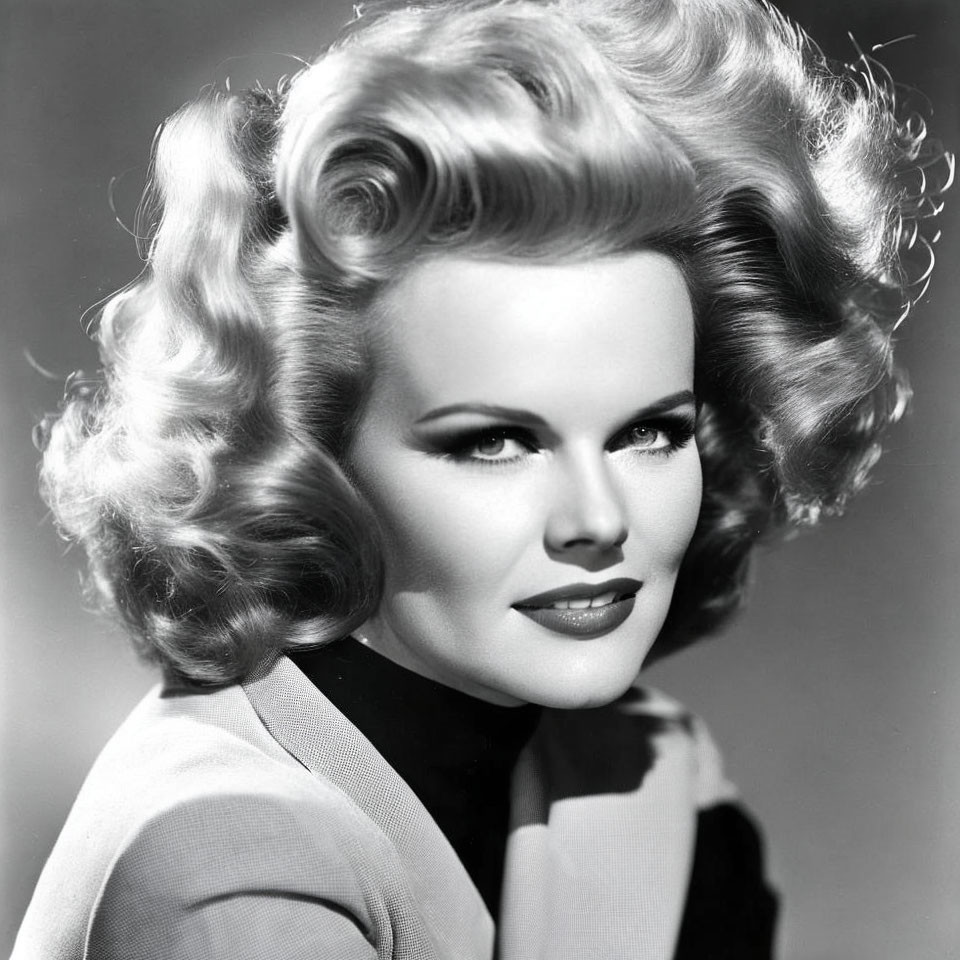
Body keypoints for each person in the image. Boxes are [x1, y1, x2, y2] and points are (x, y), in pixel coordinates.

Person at [12, 0, 950, 957]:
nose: (597, 519)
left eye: (650, 433)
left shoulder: (655, 792)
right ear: (313, 463)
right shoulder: (226, 859)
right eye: (495, 443)